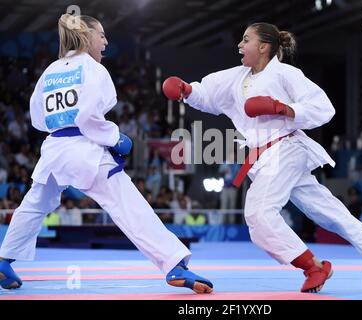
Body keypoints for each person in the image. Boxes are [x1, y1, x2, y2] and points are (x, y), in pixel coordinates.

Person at [162, 22, 362, 292]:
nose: (239, 46)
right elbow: (208, 93)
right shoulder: (236, 78)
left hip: (286, 147)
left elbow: (324, 108)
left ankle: (314, 266)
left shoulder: (287, 74)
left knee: (259, 214)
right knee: (327, 211)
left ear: (263, 47)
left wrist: (283, 108)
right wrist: (188, 90)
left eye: (246, 40)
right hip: (264, 156)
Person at [0, 14, 212, 294]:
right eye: (101, 35)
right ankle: (173, 264)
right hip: (85, 149)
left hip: (53, 149)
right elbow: (87, 116)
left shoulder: (50, 71)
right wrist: (116, 138)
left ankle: (4, 260)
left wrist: (64, 124)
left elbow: (38, 120)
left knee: (35, 204)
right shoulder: (93, 69)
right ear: (87, 37)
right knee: (128, 205)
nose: (106, 41)